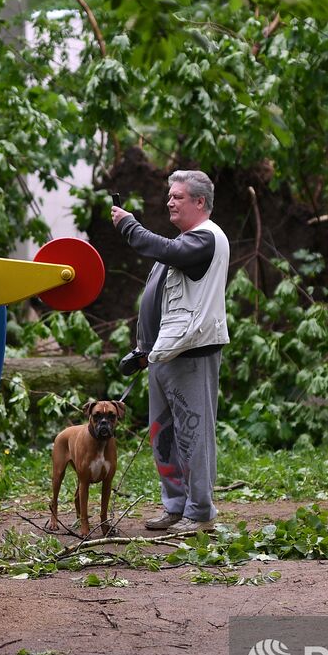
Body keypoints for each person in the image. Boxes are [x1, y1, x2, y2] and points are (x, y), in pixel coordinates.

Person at [110, 170, 229, 533]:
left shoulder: (205, 239)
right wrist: (145, 350)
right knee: (163, 435)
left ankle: (201, 512)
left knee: (193, 434)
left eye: (178, 196)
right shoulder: (184, 240)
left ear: (199, 202)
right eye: (169, 195)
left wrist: (130, 225)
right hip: (163, 355)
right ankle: (175, 506)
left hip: (192, 354)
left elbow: (162, 248)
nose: (170, 201)